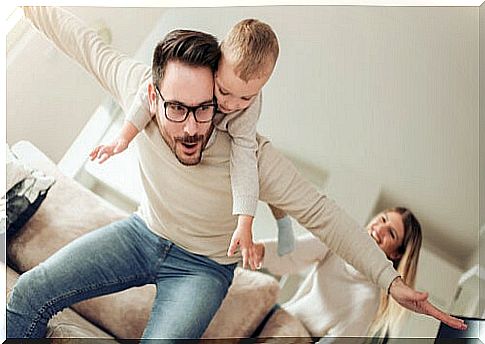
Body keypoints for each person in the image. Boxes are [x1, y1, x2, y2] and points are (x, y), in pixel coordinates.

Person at [7, 6, 465, 341]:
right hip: (143, 232)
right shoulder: (139, 89)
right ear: (151, 93)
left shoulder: (252, 152)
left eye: (205, 108)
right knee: (30, 292)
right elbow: (83, 41)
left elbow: (325, 216)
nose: (191, 126)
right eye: (177, 108)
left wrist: (391, 281)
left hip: (202, 269)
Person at [89, 19, 296, 268]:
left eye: (246, 97)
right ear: (217, 68)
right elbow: (146, 97)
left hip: (247, 149)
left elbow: (244, 163)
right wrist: (122, 138)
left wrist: (245, 223)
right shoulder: (205, 75)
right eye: (224, 91)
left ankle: (284, 222)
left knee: (263, 175)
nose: (231, 104)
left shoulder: (245, 113)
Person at [253, 207, 422, 342]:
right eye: (383, 219)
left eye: (391, 233)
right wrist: (256, 250)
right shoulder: (339, 241)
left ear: (396, 254)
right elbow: (294, 253)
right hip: (278, 318)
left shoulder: (367, 299)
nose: (380, 229)